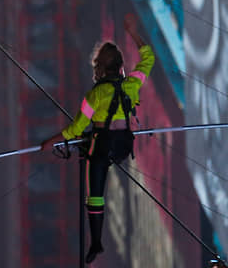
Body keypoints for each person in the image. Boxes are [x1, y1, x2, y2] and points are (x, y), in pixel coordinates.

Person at [41, 14, 155, 264]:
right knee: (97, 148)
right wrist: (133, 32)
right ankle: (95, 242)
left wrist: (50, 141)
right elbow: (149, 59)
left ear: (99, 67)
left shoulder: (94, 95)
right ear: (120, 66)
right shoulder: (132, 84)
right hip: (124, 146)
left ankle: (96, 242)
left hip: (102, 147)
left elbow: (76, 128)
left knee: (95, 193)